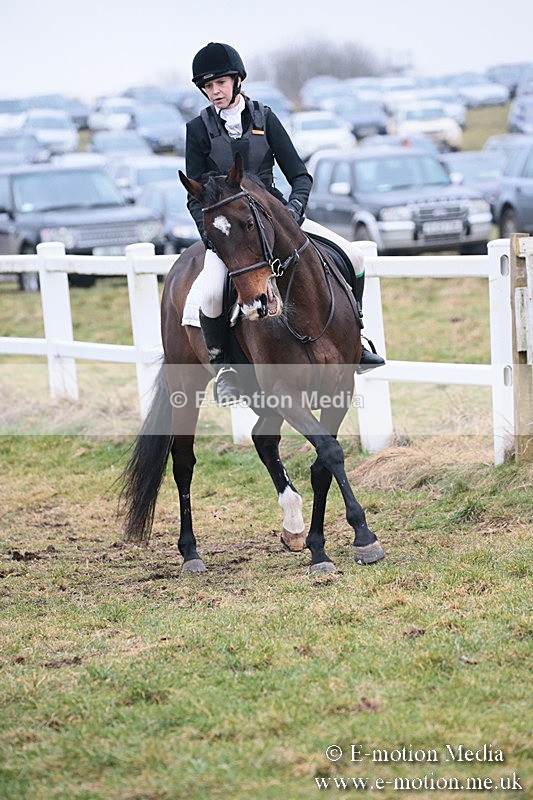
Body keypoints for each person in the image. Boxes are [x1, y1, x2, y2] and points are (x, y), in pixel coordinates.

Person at [184, 42, 384, 405]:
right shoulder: (197, 130)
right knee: (212, 291)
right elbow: (195, 195)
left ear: (238, 80)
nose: (215, 91)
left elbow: (300, 175)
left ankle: (357, 339)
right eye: (208, 86)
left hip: (279, 219)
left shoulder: (266, 118)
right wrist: (215, 239)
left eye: (220, 83)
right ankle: (225, 367)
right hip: (232, 233)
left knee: (354, 257)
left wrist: (293, 211)